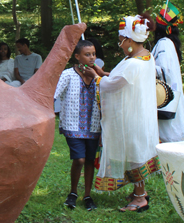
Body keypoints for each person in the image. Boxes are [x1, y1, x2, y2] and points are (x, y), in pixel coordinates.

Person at [85, 14, 160, 212]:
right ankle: (138, 192)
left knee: (135, 155)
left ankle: (140, 197)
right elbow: (121, 78)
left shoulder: (133, 63)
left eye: (121, 41)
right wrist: (103, 73)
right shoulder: (145, 56)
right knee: (136, 152)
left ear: (128, 39)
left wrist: (95, 77)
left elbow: (112, 86)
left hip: (132, 117)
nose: (119, 44)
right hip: (139, 114)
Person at [54, 40, 101, 211]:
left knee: (89, 160)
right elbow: (54, 94)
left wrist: (99, 75)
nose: (91, 58)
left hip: (94, 126)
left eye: (93, 54)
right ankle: (73, 192)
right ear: (77, 56)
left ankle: (87, 195)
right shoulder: (68, 75)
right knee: (79, 159)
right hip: (72, 125)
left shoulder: (98, 76)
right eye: (87, 54)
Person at [152, 2, 184, 142]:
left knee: (171, 130)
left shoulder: (164, 43)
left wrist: (144, 67)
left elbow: (165, 70)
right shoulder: (169, 43)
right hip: (170, 94)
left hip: (166, 96)